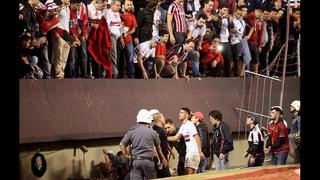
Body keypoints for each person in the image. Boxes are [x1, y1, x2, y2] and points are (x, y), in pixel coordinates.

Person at [119, 109, 168, 180]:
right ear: (148, 120)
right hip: (149, 162)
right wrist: (163, 159)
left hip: (136, 162)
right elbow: (158, 149)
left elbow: (121, 144)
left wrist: (127, 156)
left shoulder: (132, 131)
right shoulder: (153, 132)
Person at [167, 107, 204, 175]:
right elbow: (176, 137)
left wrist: (200, 151)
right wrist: (164, 137)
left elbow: (197, 137)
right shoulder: (183, 126)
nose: (179, 114)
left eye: (182, 113)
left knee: (188, 175)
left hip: (192, 153)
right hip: (192, 154)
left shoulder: (189, 124)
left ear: (187, 115)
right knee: (193, 176)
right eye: (179, 112)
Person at [152, 112, 171, 178]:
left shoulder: (154, 129)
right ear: (159, 119)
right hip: (161, 159)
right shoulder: (158, 131)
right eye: (163, 117)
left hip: (161, 158)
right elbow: (157, 146)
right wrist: (162, 158)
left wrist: (170, 151)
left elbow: (164, 143)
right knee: (166, 176)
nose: (164, 118)